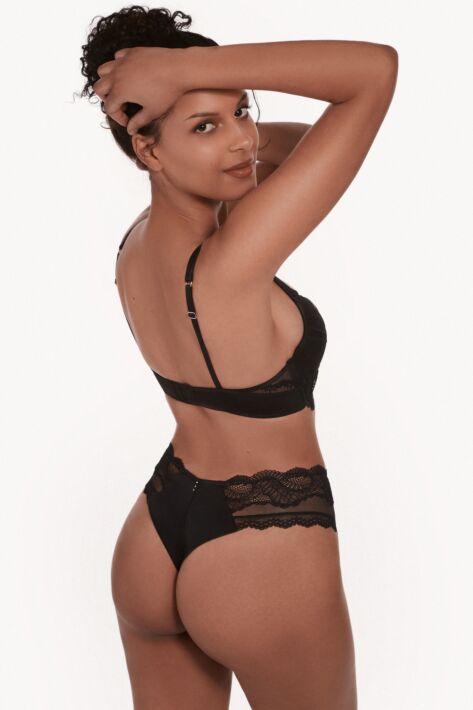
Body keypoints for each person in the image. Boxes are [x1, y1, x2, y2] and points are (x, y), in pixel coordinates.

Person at [80, 7, 398, 708]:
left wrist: (189, 94)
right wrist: (190, 70)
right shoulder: (228, 265)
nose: (241, 140)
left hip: (156, 533)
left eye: (241, 111)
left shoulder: (138, 243)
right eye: (204, 126)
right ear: (147, 151)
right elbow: (373, 72)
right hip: (260, 551)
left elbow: (308, 149)